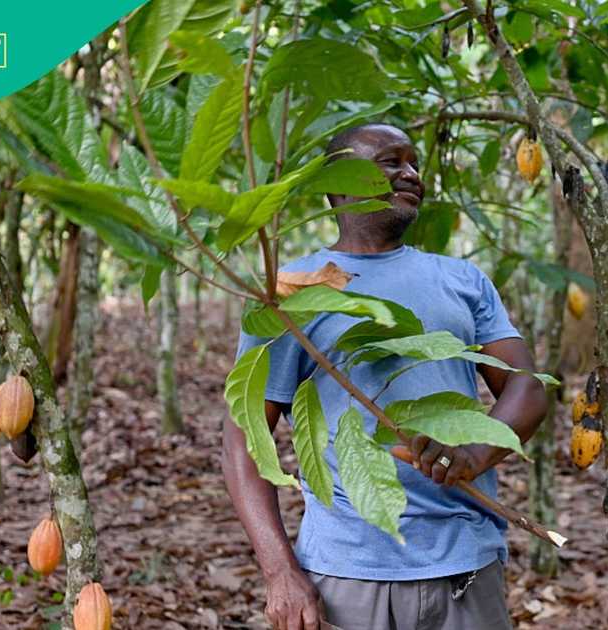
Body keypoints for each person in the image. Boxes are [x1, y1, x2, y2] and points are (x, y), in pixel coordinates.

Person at [222, 123, 549, 630]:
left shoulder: (462, 280)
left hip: (466, 561)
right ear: (339, 180)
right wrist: (280, 572)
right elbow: (244, 442)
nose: (412, 174)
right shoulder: (290, 291)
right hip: (348, 572)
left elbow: (525, 386)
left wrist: (473, 455)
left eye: (415, 163)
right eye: (391, 162)